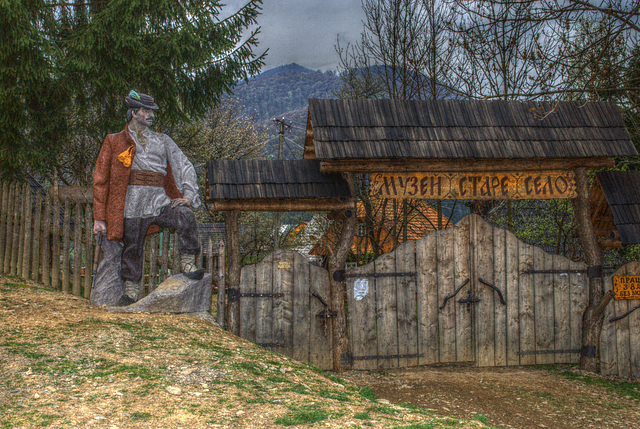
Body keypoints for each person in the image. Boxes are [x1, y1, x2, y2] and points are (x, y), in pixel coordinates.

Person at [93, 91, 203, 306]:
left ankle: (189, 263)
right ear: (134, 113)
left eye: (152, 111)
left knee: (185, 215)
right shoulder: (114, 141)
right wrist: (99, 217)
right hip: (130, 204)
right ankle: (131, 290)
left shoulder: (163, 141)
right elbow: (100, 180)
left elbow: (184, 165)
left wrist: (188, 195)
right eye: (145, 111)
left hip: (159, 201)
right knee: (132, 246)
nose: (150, 115)